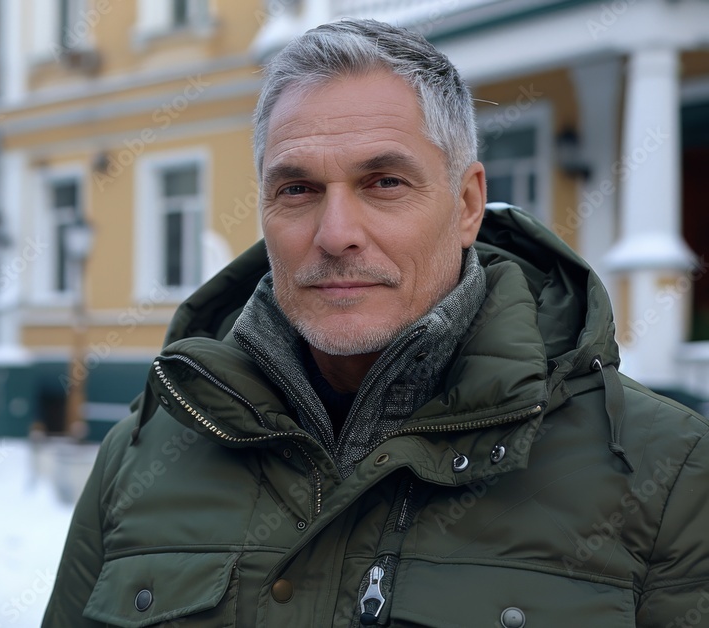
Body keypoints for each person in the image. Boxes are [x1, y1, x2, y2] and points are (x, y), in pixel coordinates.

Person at [42, 18, 709, 627]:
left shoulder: (667, 473)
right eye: (297, 189)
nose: (336, 234)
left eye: (384, 182)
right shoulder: (144, 454)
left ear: (467, 204)